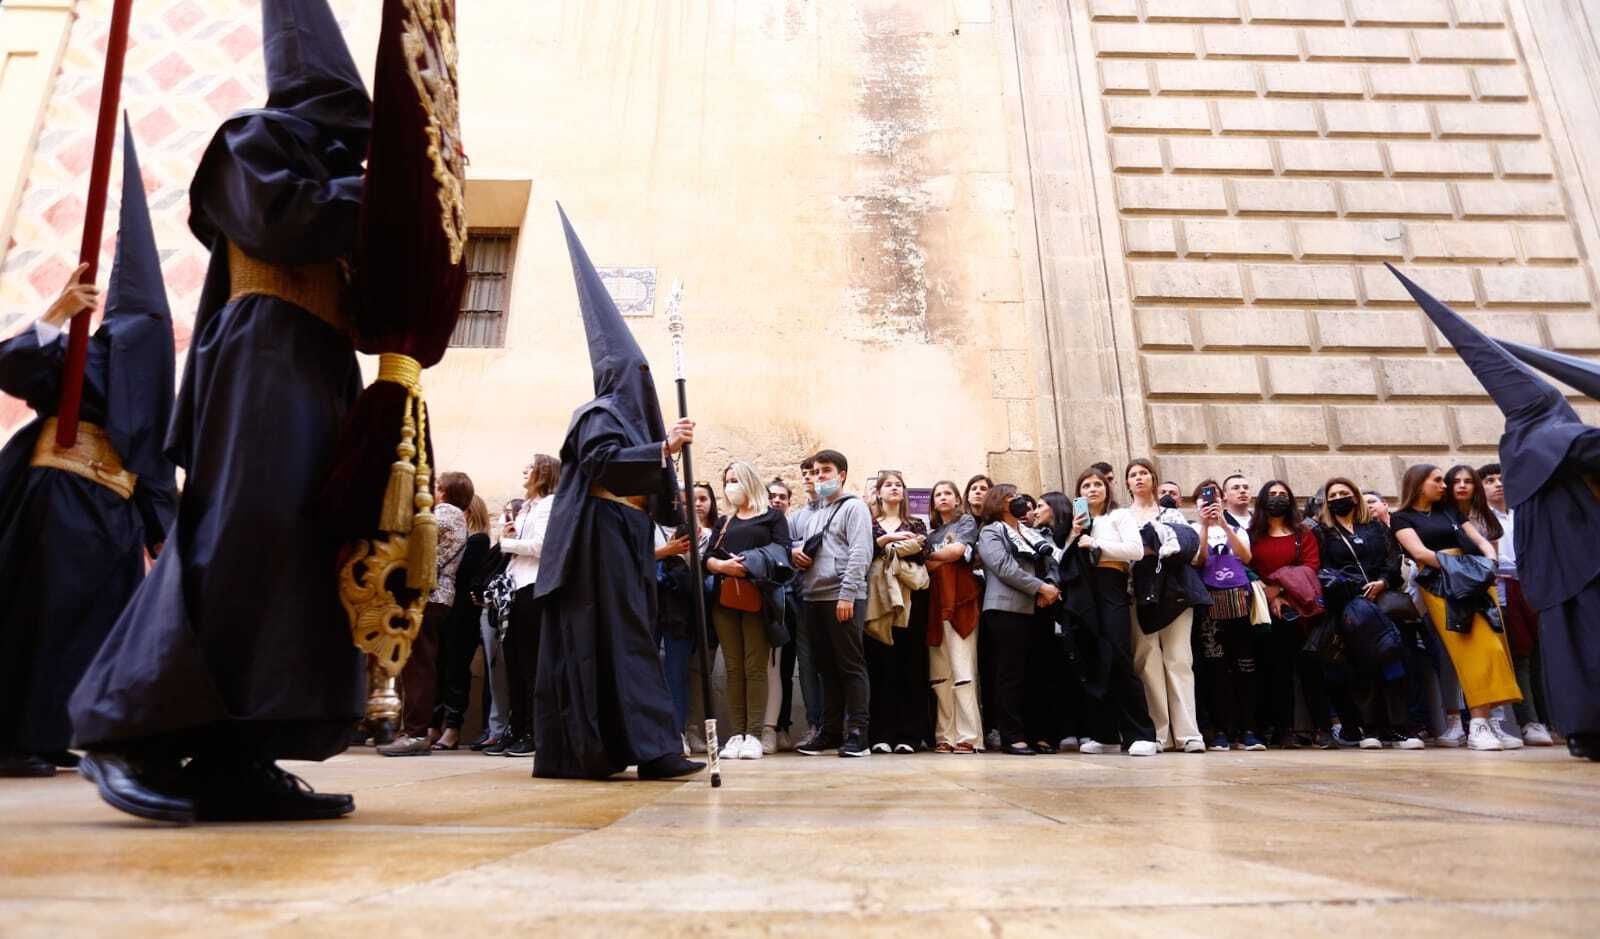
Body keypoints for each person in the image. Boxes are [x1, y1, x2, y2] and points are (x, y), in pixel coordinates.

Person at [71, 0, 371, 823]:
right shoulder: (253, 139)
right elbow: (288, 218)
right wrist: (388, 194)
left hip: (324, 366)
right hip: (263, 358)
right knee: (242, 535)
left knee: (299, 557)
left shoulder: (347, 173)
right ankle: (127, 731)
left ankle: (240, 754)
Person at [0, 128, 177, 779]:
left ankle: (55, 733)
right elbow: (14, 367)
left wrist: (160, 530)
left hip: (114, 513)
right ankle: (12, 737)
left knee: (99, 627)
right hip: (60, 499)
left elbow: (155, 460)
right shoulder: (88, 350)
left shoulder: (156, 381)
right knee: (40, 619)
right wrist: (55, 313)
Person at [1395, 265, 1600, 760]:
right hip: (1584, 562)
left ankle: (1583, 728)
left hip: (1553, 570)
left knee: (1564, 650)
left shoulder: (1523, 445)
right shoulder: (1558, 437)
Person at [528, 208, 703, 781]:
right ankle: (648, 751)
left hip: (627, 538)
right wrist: (662, 449)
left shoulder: (630, 421)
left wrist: (675, 507)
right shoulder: (598, 414)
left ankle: (634, 747)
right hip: (599, 541)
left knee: (630, 640)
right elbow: (602, 464)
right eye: (637, 375)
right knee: (619, 641)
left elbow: (653, 484)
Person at [1390, 464, 1524, 751]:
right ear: (1419, 484)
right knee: (1470, 650)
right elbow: (1419, 553)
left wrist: (1489, 561)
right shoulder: (1401, 517)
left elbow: (1480, 540)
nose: (1445, 485)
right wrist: (1461, 566)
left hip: (1474, 577)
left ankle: (1487, 721)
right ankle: (1478, 725)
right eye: (1437, 480)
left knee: (1494, 647)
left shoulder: (1450, 510)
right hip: (1441, 583)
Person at [1316, 477, 1421, 749]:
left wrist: (1382, 582)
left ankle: (1399, 728)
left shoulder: (1375, 527)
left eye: (1344, 492)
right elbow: (1324, 569)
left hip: (1383, 602)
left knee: (1393, 662)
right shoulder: (1323, 532)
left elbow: (1393, 559)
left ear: (1355, 496)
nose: (1338, 498)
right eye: (1333, 495)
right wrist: (1355, 588)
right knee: (1361, 667)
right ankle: (1370, 728)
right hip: (1350, 607)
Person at [378, 472, 472, 756]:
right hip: (436, 596)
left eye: (436, 486)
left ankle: (415, 733)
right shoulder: (454, 516)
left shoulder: (446, 513)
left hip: (428, 596)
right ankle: (414, 730)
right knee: (418, 662)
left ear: (443, 491)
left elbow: (417, 537)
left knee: (418, 663)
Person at [1069, 469, 1160, 756]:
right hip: (1084, 590)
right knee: (1094, 661)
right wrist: (1074, 534)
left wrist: (1096, 544)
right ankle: (1105, 735)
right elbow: (1063, 559)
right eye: (1086, 485)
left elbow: (1135, 550)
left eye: (1098, 484)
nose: (1092, 489)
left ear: (1108, 489)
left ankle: (1142, 734)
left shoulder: (1119, 516)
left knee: (1119, 656)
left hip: (1111, 584)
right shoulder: (1078, 523)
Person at [705, 460, 790, 760]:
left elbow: (782, 553)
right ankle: (736, 734)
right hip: (724, 599)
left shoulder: (772, 517)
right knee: (733, 668)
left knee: (755, 667)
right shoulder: (724, 522)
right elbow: (707, 557)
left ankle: (753, 734)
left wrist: (751, 563)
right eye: (727, 481)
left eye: (736, 480)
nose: (731, 486)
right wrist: (721, 565)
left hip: (757, 598)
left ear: (749, 481)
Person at [793, 449, 875, 757]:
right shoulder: (813, 513)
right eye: (815, 472)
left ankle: (858, 734)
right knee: (825, 669)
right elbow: (802, 546)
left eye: (825, 470)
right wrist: (795, 553)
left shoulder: (855, 508)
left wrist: (847, 594)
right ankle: (829, 732)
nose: (819, 477)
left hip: (842, 597)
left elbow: (860, 552)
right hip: (813, 597)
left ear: (841, 475)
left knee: (850, 665)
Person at [1249, 480, 1338, 748]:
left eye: (1283, 494)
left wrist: (1281, 590)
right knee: (1278, 672)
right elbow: (1247, 567)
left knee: (1312, 670)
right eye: (1272, 494)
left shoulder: (1303, 533)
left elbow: (1311, 566)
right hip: (1268, 611)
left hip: (1304, 611)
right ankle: (1283, 730)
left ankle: (1322, 729)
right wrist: (1271, 595)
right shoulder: (1252, 535)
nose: (1277, 498)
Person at [1125, 459, 1205, 752]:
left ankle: (1188, 734)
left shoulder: (1172, 514)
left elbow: (1189, 550)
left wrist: (1151, 547)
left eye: (1144, 473)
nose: (1139, 478)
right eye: (1133, 475)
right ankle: (1158, 733)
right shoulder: (1121, 516)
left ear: (1153, 479)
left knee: (1179, 658)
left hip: (1174, 593)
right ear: (1127, 483)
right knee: (1146, 660)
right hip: (1137, 593)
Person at [975, 484, 1061, 755]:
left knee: (1039, 672)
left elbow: (1051, 562)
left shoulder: (1030, 532)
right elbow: (1003, 566)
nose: (1018, 501)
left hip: (1040, 608)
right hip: (1006, 609)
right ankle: (1012, 736)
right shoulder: (990, 531)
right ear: (998, 503)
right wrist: (1040, 587)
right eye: (1011, 497)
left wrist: (1051, 585)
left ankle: (1039, 733)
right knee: (1010, 674)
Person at [1479, 463, 1553, 746]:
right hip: (1505, 590)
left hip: (1536, 588)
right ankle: (1529, 722)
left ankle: (1551, 720)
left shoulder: (1523, 514)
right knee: (1520, 656)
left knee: (1542, 656)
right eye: (1489, 480)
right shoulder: (1482, 519)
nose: (1498, 484)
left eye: (1501, 478)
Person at [1189, 478, 1262, 752]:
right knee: (1216, 669)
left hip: (1238, 602)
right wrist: (1205, 526)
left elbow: (1246, 557)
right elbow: (1198, 559)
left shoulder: (1236, 528)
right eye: (1203, 499)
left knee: (1245, 666)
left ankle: (1249, 729)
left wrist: (1223, 525)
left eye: (1213, 498)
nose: (1209, 503)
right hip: (1210, 605)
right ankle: (1222, 730)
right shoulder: (1193, 529)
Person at [494, 456, 559, 758]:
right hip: (515, 587)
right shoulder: (527, 507)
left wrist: (505, 543)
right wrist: (508, 535)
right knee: (513, 662)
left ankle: (534, 731)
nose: (524, 470)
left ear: (543, 473)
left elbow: (542, 546)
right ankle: (516, 726)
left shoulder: (548, 505)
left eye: (530, 467)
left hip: (533, 588)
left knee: (530, 662)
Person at [864, 471, 930, 753]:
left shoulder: (916, 523)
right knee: (880, 667)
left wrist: (887, 546)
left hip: (911, 600)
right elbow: (864, 552)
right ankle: (880, 734)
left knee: (910, 666)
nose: (894, 488)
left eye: (898, 485)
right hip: (877, 601)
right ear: (878, 492)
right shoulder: (869, 524)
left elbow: (922, 551)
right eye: (888, 485)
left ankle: (909, 735)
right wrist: (891, 540)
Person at [924, 481, 983, 753]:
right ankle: (945, 735)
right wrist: (939, 557)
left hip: (961, 602)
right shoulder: (932, 533)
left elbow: (958, 551)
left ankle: (969, 736)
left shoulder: (966, 522)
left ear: (958, 498)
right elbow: (927, 566)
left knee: (963, 671)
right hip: (935, 606)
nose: (943, 497)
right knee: (940, 675)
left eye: (948, 493)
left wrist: (931, 556)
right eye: (938, 494)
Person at [431, 494, 492, 750]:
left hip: (463, 614)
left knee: (455, 669)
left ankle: (452, 727)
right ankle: (433, 724)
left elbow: (464, 572)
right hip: (446, 609)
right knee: (438, 666)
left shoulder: (478, 540)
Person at [763, 477, 802, 751]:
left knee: (785, 669)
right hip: (762, 603)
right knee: (762, 670)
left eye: (782, 497)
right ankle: (762, 727)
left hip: (789, 605)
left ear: (789, 502)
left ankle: (782, 727)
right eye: (772, 496)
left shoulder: (792, 531)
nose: (777, 501)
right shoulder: (756, 527)